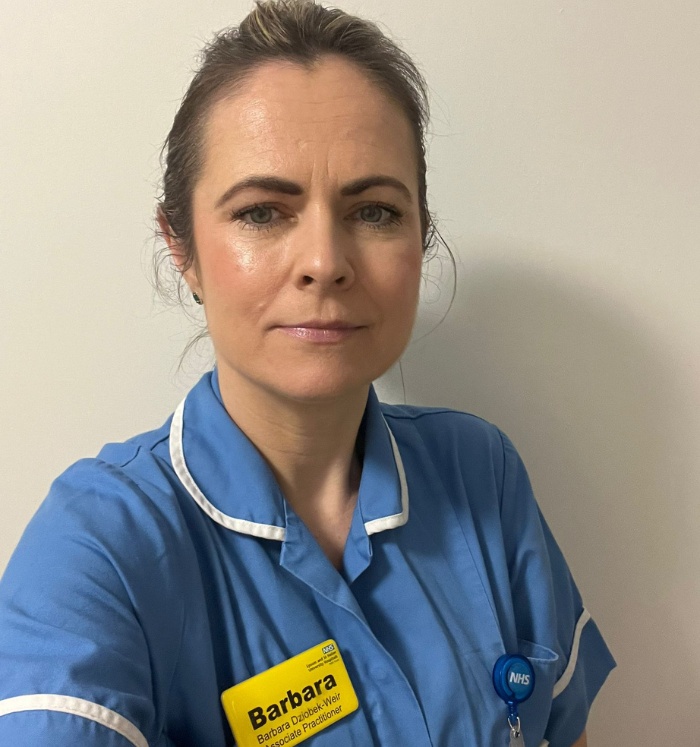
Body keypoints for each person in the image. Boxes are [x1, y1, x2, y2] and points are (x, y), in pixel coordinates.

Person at [0, 1, 614, 745]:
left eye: (375, 212)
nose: (325, 262)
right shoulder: (100, 545)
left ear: (422, 233)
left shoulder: (481, 471)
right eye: (262, 212)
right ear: (182, 249)